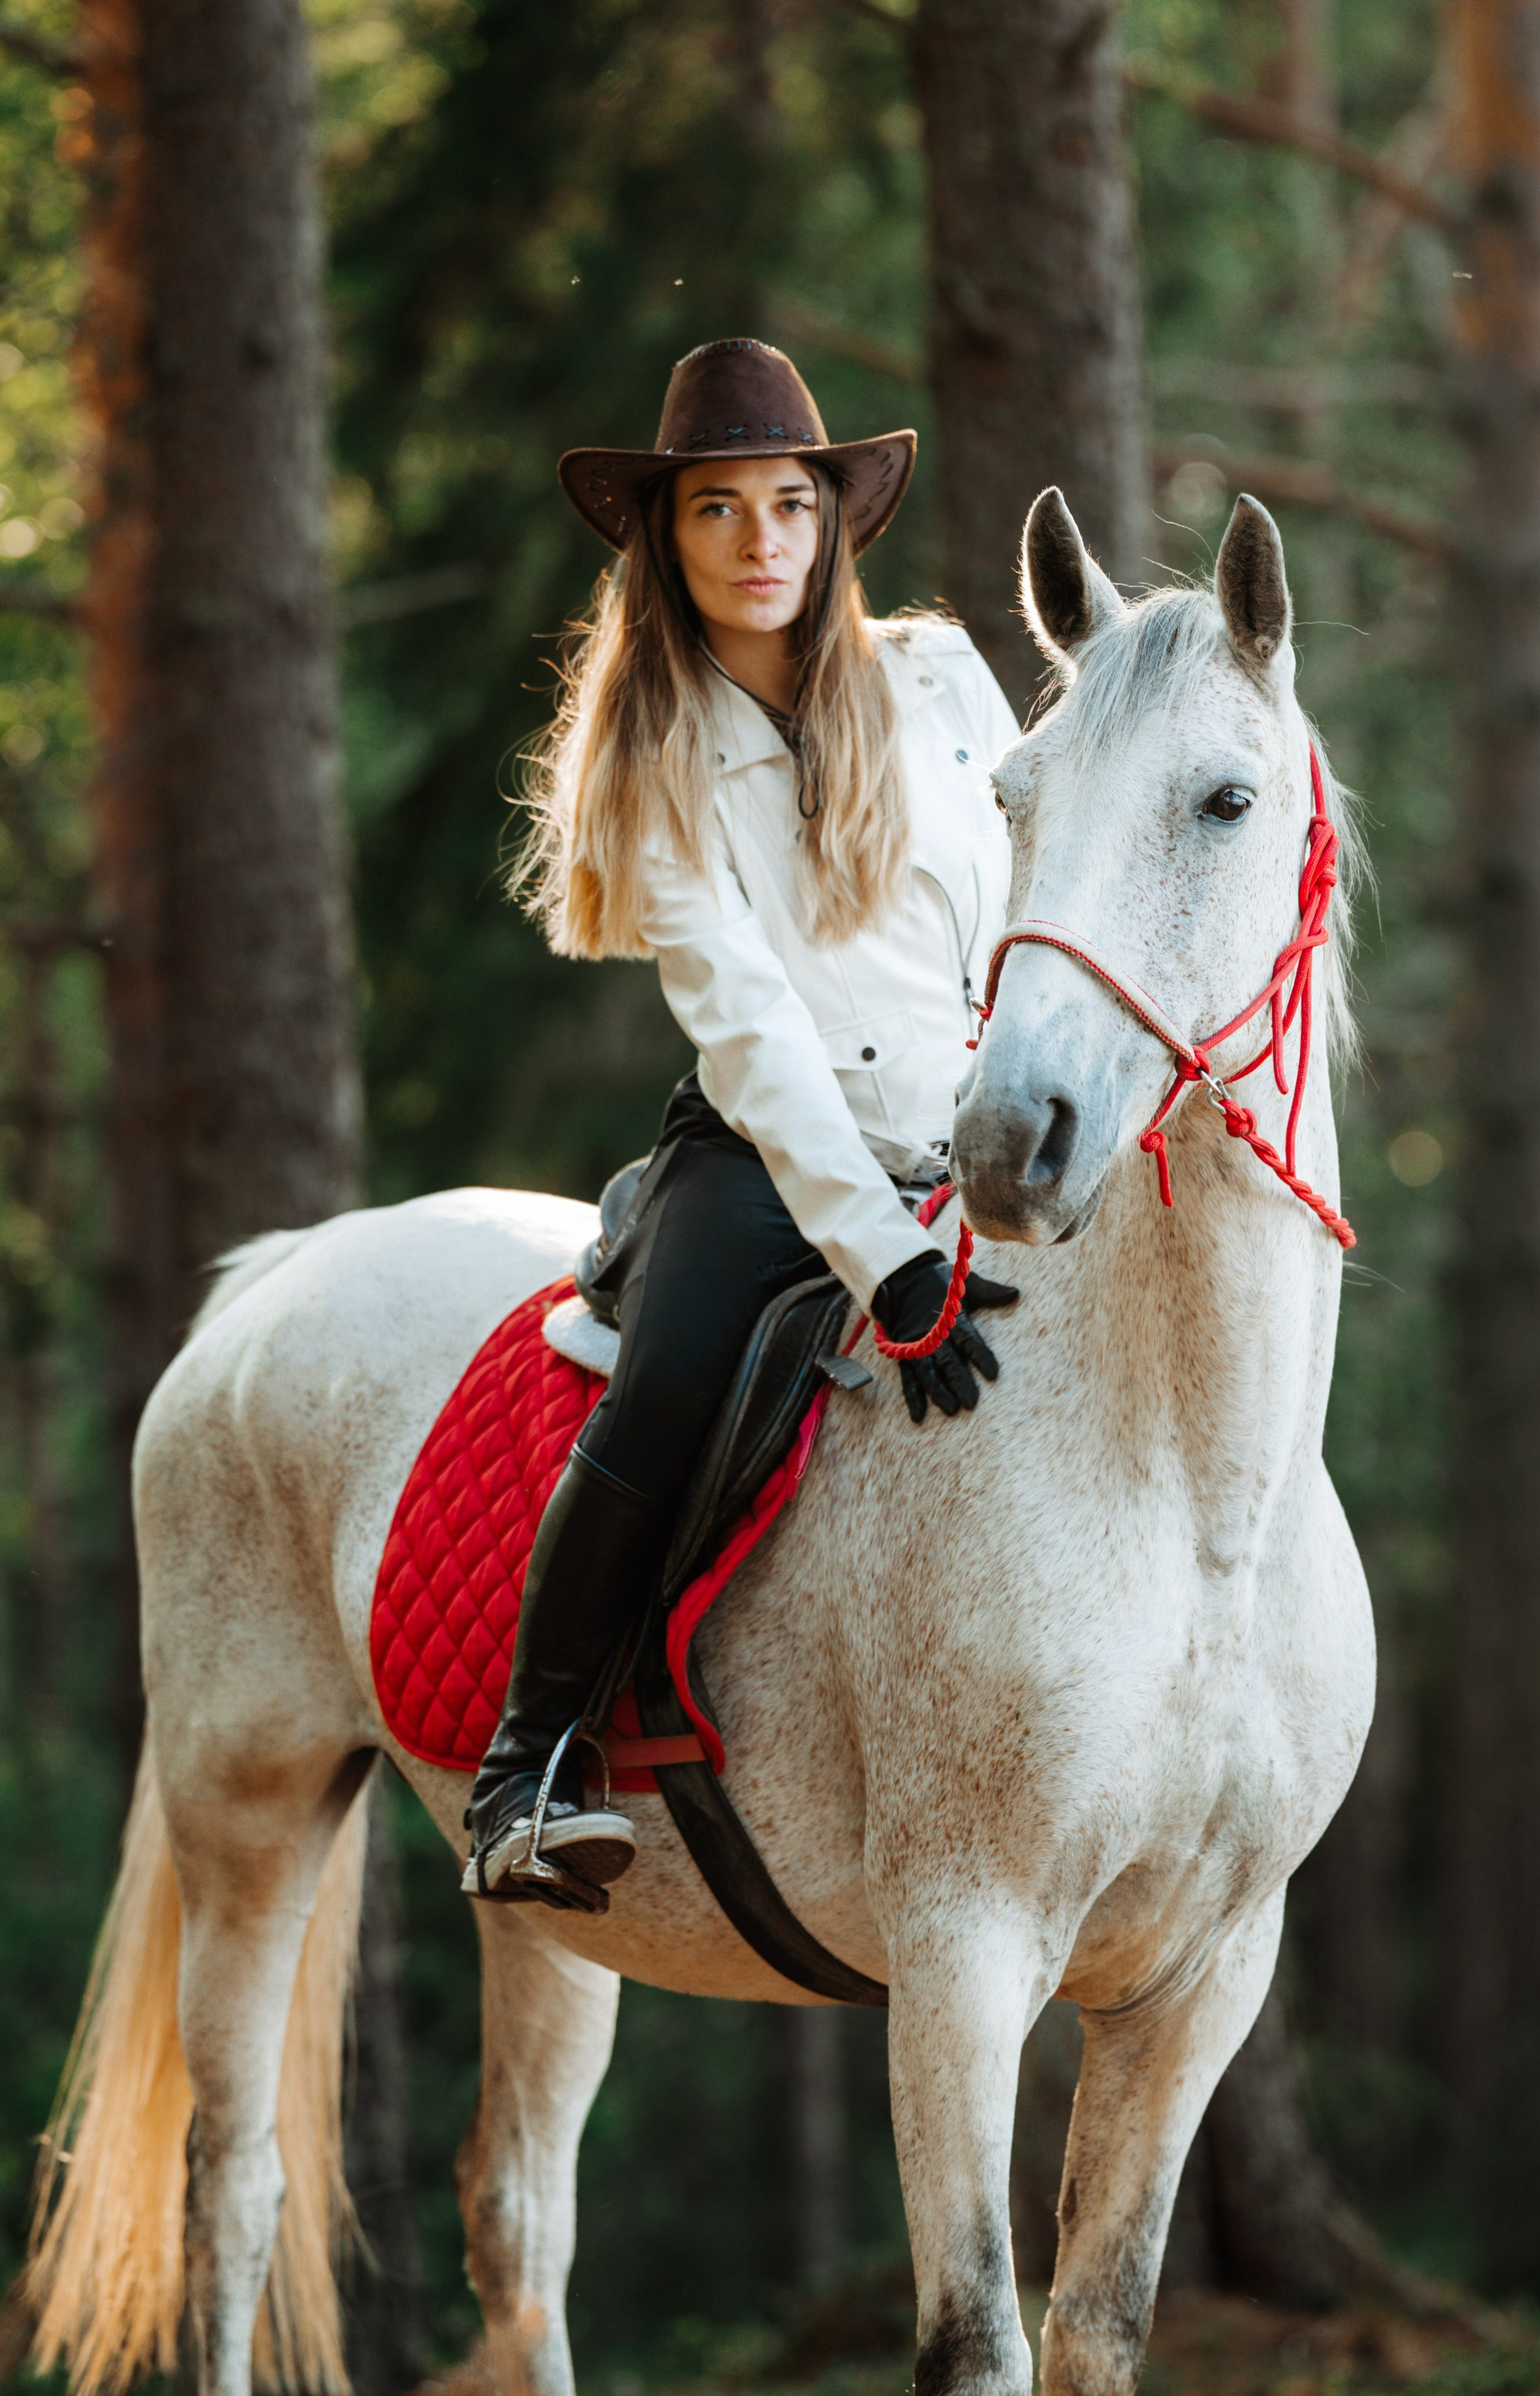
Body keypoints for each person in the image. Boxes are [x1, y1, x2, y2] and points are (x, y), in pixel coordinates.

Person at [464, 336, 1021, 1909]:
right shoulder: (653, 761)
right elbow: (753, 1034)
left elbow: (1030, 905)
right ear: (668, 536)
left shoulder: (938, 677)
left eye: (788, 503)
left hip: (980, 1129)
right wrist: (882, 1262)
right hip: (778, 1158)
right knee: (665, 1391)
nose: (759, 541)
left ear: (832, 520)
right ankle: (529, 1764)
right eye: (716, 510)